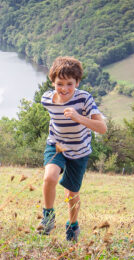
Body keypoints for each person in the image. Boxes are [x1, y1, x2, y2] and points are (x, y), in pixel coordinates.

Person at [38, 56, 107, 242]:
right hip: (57, 145)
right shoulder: (46, 99)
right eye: (60, 83)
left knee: (71, 193)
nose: (64, 89)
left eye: (70, 84)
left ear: (77, 82)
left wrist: (79, 118)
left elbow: (102, 128)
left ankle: (72, 226)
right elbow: (54, 118)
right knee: (49, 177)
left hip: (79, 151)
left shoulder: (84, 99)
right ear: (52, 81)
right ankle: (48, 217)